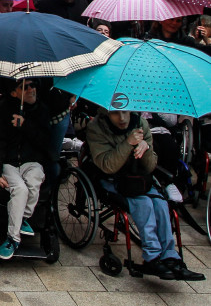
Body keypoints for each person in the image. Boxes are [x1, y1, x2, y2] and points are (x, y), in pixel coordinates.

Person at [85, 110, 204, 280]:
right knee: (144, 204)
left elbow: (150, 166)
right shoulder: (96, 127)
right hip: (111, 178)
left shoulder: (141, 123)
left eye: (125, 112)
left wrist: (146, 148)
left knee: (161, 204)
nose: (122, 118)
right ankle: (152, 257)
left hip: (138, 177)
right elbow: (108, 166)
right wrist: (128, 143)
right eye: (115, 114)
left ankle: (170, 257)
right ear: (106, 113)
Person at [0, 79, 52, 259]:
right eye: (25, 87)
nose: (31, 90)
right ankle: (13, 237)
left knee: (34, 181)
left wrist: (26, 126)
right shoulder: (1, 110)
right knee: (21, 190)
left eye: (33, 86)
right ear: (14, 93)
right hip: (9, 162)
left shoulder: (42, 110)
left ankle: (22, 217)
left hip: (32, 161)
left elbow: (46, 142)